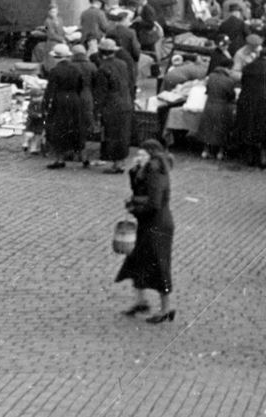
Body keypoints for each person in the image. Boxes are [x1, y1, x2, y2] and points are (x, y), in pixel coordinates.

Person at [115, 139, 175, 324]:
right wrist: (134, 172)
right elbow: (137, 189)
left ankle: (166, 309)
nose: (138, 156)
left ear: (151, 155)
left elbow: (154, 203)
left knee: (158, 266)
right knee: (136, 260)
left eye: (142, 154)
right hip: (149, 223)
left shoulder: (155, 171)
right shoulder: (147, 169)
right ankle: (141, 301)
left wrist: (135, 208)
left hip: (157, 225)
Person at [234, 47, 266, 168]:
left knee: (248, 129)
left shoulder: (248, 67)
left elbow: (244, 83)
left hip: (246, 103)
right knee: (263, 132)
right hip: (263, 104)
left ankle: (249, 158)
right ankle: (263, 159)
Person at [43, 44, 87, 169]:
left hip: (60, 100)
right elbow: (81, 86)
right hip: (74, 99)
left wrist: (46, 105)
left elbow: (50, 90)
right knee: (76, 127)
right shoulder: (76, 69)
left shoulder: (55, 71)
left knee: (59, 129)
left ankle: (59, 158)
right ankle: (83, 157)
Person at [94, 38, 134, 174]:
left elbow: (101, 92)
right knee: (123, 134)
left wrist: (97, 110)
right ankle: (121, 162)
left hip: (112, 105)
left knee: (112, 134)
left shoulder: (103, 68)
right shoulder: (122, 64)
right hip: (126, 102)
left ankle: (117, 164)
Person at [196, 65, 236, 161]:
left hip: (209, 105)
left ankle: (205, 151)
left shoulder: (210, 77)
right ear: (227, 68)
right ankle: (220, 153)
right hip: (223, 107)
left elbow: (207, 91)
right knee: (222, 129)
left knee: (207, 128)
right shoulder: (229, 81)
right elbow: (232, 96)